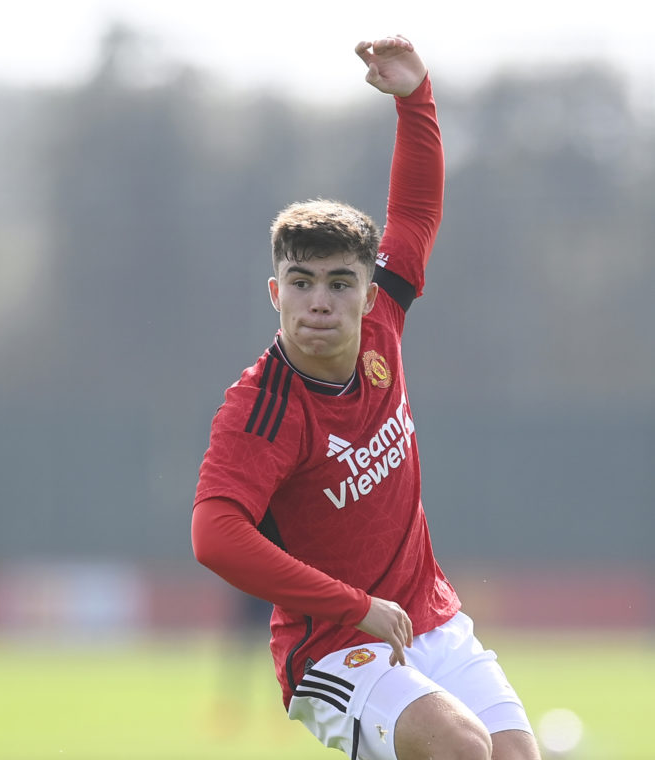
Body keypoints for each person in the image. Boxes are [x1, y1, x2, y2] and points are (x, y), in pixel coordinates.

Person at [190, 36, 540, 760]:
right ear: (274, 292)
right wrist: (354, 607)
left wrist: (417, 100)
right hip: (329, 652)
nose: (319, 302)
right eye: (301, 282)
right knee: (459, 751)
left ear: (366, 290)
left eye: (339, 283)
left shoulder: (384, 324)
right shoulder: (259, 408)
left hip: (428, 622)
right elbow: (214, 536)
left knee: (512, 755)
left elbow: (413, 214)